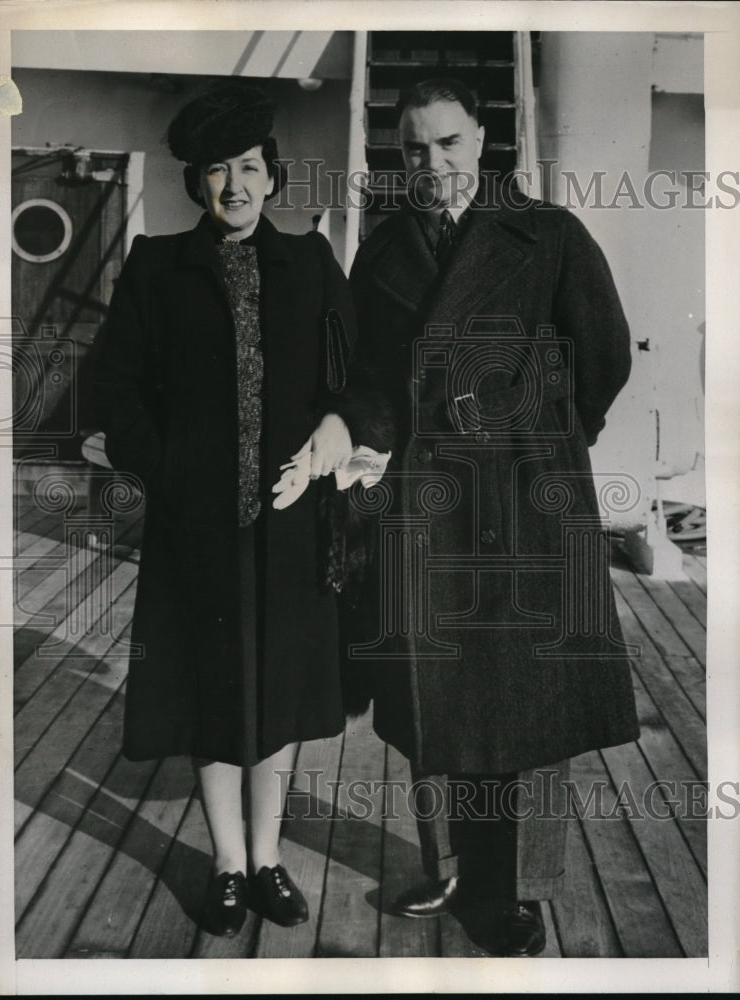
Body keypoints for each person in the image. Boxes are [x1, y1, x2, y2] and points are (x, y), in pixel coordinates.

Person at [340, 78, 640, 956]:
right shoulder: (383, 248)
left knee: (518, 705)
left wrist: (541, 443)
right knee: (431, 698)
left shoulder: (546, 236)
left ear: (483, 139)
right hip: (426, 503)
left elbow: (604, 352)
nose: (433, 165)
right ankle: (453, 870)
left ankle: (513, 888)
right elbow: (367, 376)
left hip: (520, 499)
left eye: (450, 144)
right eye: (415, 150)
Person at [93, 81, 354, 937]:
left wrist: (333, 425)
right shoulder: (156, 266)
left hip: (287, 525)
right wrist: (166, 470)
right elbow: (114, 386)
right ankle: (229, 866)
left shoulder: (311, 264)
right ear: (196, 185)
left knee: (274, 694)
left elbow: (356, 379)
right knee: (212, 694)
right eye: (216, 171)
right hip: (195, 528)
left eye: (249, 168)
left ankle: (270, 855)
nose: (235, 186)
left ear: (273, 179)